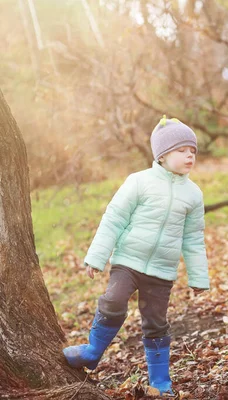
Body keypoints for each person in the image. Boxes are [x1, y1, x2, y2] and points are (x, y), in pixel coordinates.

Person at [63, 116, 209, 395]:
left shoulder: (193, 194)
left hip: (162, 270)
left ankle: (160, 381)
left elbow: (193, 239)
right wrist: (97, 256)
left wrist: (198, 277)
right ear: (163, 155)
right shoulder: (139, 182)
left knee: (156, 322)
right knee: (113, 300)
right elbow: (114, 218)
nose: (190, 155)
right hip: (128, 261)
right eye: (182, 150)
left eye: (193, 151)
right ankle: (92, 351)